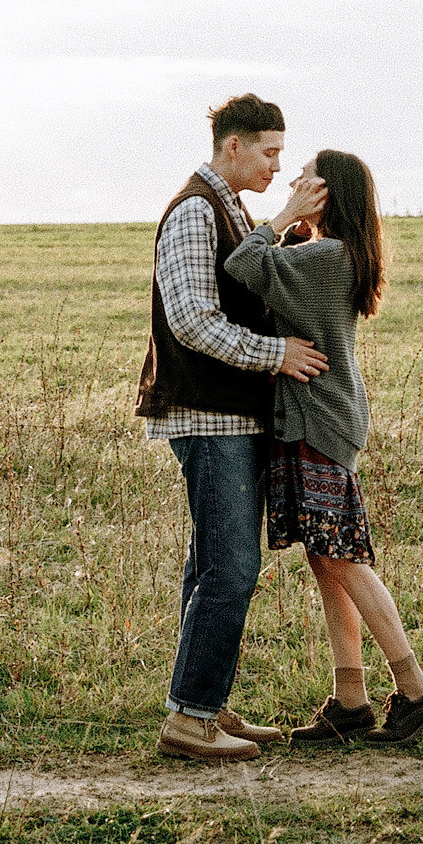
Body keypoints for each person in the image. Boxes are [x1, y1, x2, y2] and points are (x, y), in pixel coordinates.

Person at [225, 150, 423, 747]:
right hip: (320, 420)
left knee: (344, 558)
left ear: (326, 193)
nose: (293, 181)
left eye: (305, 178)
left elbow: (244, 264)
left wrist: (281, 219)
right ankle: (351, 701)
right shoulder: (332, 254)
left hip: (317, 424)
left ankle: (416, 691)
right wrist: (296, 226)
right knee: (328, 562)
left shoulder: (324, 258)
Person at [135, 94, 332, 763]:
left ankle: (201, 702)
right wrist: (277, 354)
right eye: (270, 151)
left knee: (211, 562)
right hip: (207, 412)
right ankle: (191, 718)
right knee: (232, 566)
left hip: (226, 412)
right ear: (233, 147)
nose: (278, 164)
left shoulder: (229, 209)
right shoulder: (196, 211)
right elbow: (192, 319)